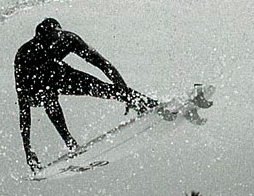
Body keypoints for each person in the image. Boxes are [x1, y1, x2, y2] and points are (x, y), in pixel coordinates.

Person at [14, 18, 157, 170]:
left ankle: (145, 103)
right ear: (38, 39)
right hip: (34, 86)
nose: (49, 45)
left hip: (58, 73)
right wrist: (28, 149)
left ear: (59, 35)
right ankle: (70, 142)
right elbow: (23, 108)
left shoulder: (68, 39)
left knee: (98, 87)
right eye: (45, 42)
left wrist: (125, 95)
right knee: (47, 96)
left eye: (53, 40)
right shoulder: (25, 54)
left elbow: (103, 64)